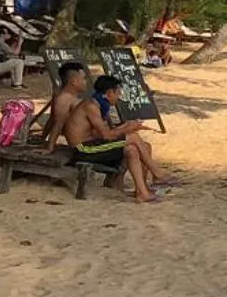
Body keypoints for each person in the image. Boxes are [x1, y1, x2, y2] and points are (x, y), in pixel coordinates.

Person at [64, 73, 160, 203]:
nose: (119, 97)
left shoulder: (100, 105)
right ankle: (158, 175)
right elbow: (106, 135)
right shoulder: (91, 106)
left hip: (92, 144)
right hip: (83, 149)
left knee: (135, 148)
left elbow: (104, 132)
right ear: (109, 93)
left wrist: (125, 126)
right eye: (118, 93)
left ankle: (142, 191)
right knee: (133, 137)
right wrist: (128, 129)